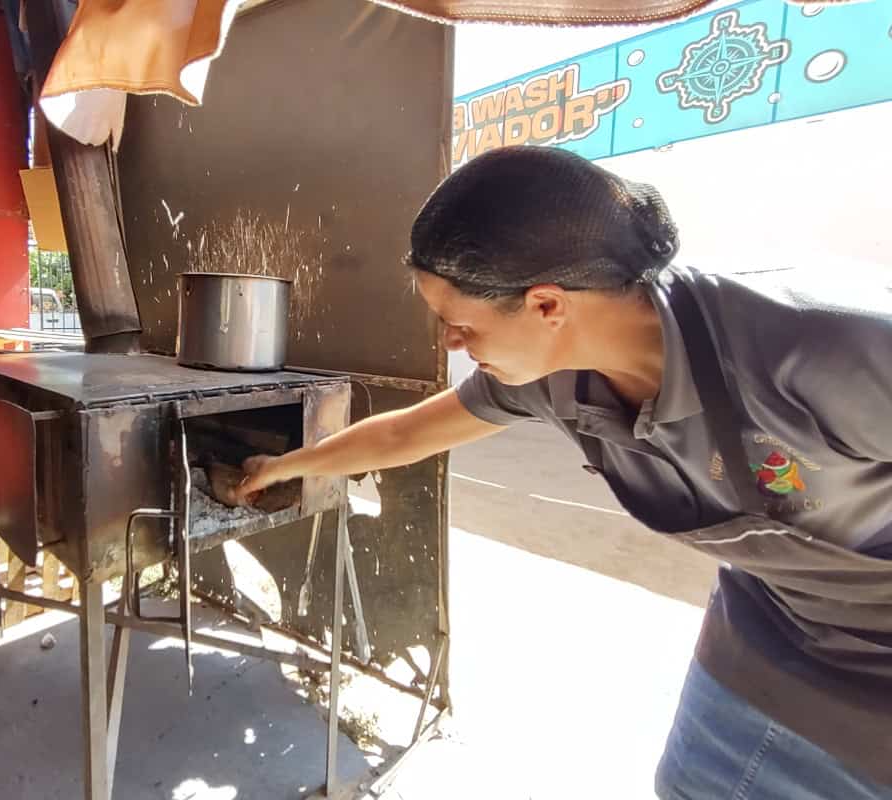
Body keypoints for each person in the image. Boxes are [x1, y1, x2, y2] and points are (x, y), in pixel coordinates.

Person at [231, 146, 892, 799]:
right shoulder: (553, 374)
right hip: (767, 631)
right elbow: (408, 432)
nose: (449, 345)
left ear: (548, 305)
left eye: (458, 325)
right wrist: (285, 465)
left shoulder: (828, 347)